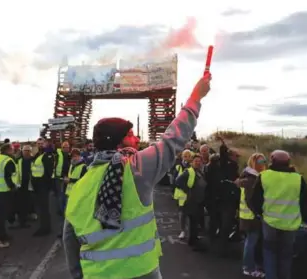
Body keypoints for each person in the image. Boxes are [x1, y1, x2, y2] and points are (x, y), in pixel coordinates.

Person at [63, 74, 211, 279]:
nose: (137, 139)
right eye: (131, 135)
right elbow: (172, 140)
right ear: (118, 143)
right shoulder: (135, 168)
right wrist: (196, 97)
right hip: (140, 272)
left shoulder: (80, 185)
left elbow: (69, 239)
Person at [249, 150, 307, 279]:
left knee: (269, 253)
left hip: (269, 223)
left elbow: (254, 199)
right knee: (286, 255)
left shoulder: (264, 176)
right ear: (288, 162)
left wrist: (260, 214)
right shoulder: (298, 178)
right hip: (291, 224)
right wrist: (301, 215)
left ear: (272, 160)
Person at [237, 153, 267, 278]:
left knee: (250, 241)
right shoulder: (251, 180)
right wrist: (258, 213)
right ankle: (248, 268)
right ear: (253, 163)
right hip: (251, 217)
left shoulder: (250, 177)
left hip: (248, 216)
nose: (263, 164)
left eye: (264, 161)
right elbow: (250, 200)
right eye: (260, 162)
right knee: (251, 242)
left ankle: (251, 266)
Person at [175, 155, 207, 250]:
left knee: (195, 221)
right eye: (196, 161)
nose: (198, 163)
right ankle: (192, 241)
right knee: (193, 221)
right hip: (191, 201)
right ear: (192, 162)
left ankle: (194, 238)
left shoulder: (200, 171)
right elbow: (178, 181)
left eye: (199, 161)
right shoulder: (188, 171)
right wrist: (187, 190)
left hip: (198, 200)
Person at [0, 143, 17, 248]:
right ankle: (0, 236)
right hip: (5, 190)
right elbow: (8, 177)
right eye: (12, 149)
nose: (13, 150)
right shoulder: (8, 161)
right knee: (2, 214)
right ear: (7, 150)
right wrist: (13, 187)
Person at [31, 138, 55, 237]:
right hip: (38, 185)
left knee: (44, 208)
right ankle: (44, 227)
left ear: (45, 144)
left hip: (43, 185)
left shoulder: (48, 154)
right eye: (38, 143)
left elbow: (49, 172)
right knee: (41, 207)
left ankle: (45, 228)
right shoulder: (38, 154)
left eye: (42, 143)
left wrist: (48, 185)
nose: (40, 145)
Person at [173, 149, 192, 238]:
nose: (187, 158)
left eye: (189, 156)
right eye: (185, 156)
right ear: (182, 157)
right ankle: (183, 230)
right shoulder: (178, 167)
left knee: (191, 213)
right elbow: (174, 180)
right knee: (182, 214)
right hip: (181, 194)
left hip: (191, 194)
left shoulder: (192, 167)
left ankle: (191, 231)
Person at [14, 145, 34, 228]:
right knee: (20, 203)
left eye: (28, 150)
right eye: (25, 150)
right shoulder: (18, 160)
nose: (26, 152)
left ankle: (27, 217)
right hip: (20, 185)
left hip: (30, 185)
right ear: (22, 151)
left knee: (29, 202)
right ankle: (21, 220)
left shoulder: (33, 160)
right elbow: (15, 173)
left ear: (30, 151)